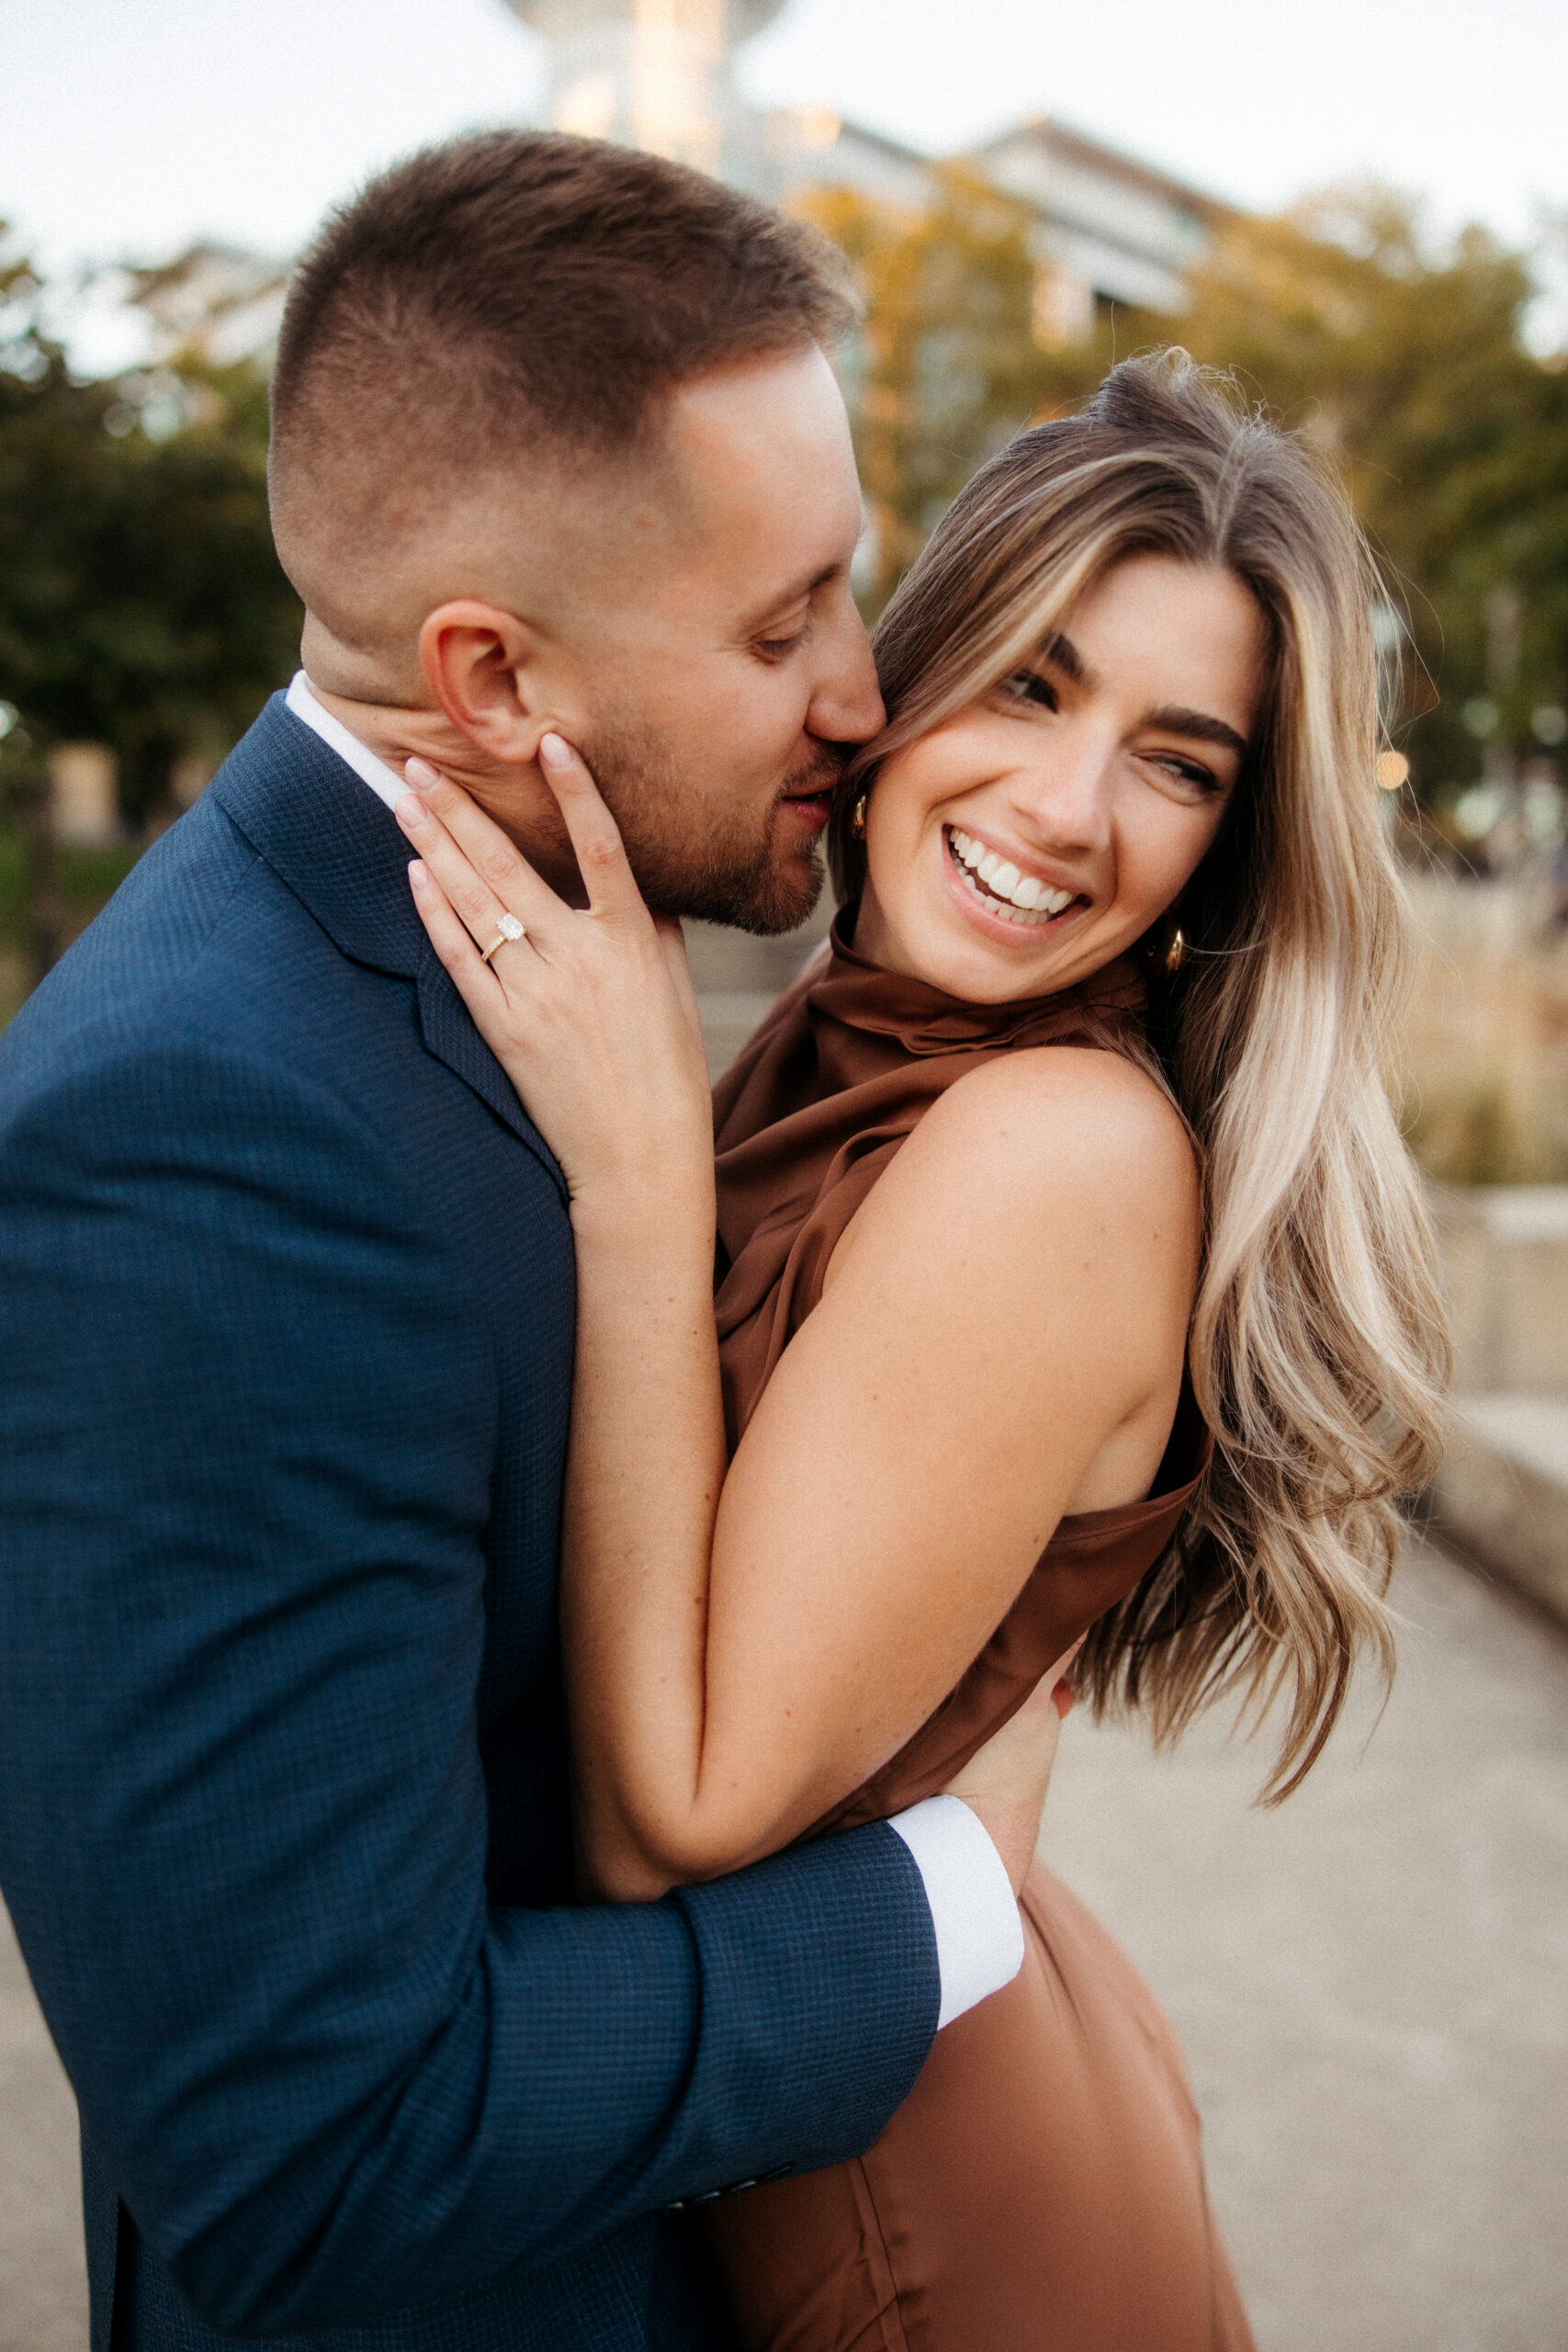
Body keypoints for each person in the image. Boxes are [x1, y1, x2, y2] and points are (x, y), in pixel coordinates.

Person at [0, 134, 1053, 2352]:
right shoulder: (198, 1141)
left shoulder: (559, 975)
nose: (865, 697)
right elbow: (315, 2145)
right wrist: (936, 1903)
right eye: (780, 626)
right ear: (490, 679)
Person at [395, 353, 1451, 2350]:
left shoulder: (1056, 1145)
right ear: (903, 682)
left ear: (1225, 847)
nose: (1067, 809)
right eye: (1036, 685)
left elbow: (677, 1813)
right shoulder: (840, 1057)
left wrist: (631, 1182)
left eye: (1179, 760)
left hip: (923, 2218)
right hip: (876, 2082)